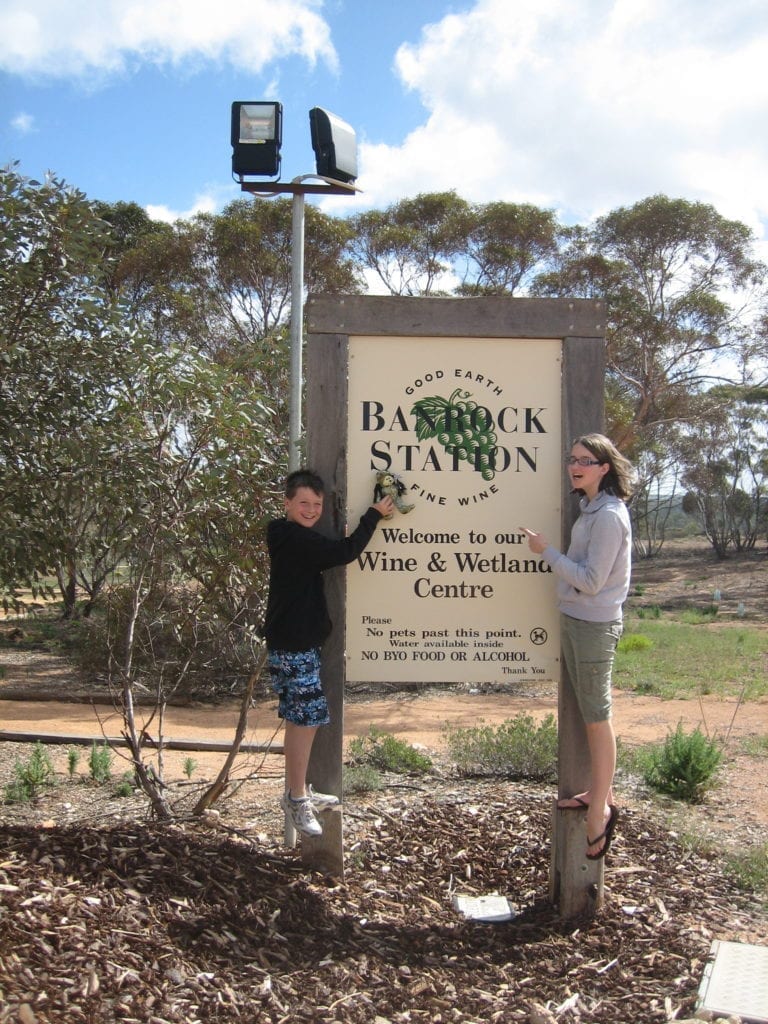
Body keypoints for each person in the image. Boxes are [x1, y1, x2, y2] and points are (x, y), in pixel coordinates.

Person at [521, 433, 636, 860]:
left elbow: (590, 581)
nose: (576, 465)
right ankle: (598, 792)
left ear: (605, 468)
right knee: (591, 713)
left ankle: (600, 811)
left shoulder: (608, 516)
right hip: (575, 621)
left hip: (593, 625)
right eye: (573, 458)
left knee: (597, 716)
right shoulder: (590, 510)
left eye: (586, 460)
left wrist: (545, 550)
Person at [263, 469, 396, 837]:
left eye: (316, 504)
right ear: (287, 503)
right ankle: (295, 798)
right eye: (303, 503)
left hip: (298, 643)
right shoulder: (292, 538)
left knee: (301, 718)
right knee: (306, 719)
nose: (310, 509)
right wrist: (374, 515)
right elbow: (346, 551)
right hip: (293, 644)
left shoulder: (294, 537)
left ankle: (299, 792)